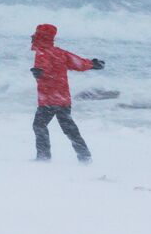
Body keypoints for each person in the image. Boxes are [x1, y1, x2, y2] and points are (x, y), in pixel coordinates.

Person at [30, 24, 105, 164]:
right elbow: (79, 63)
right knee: (69, 129)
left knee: (40, 126)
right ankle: (84, 157)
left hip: (49, 100)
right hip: (61, 99)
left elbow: (44, 68)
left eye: (35, 34)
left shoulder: (43, 53)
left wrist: (39, 72)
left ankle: (44, 157)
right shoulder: (59, 53)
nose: (32, 36)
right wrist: (93, 64)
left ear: (41, 37)